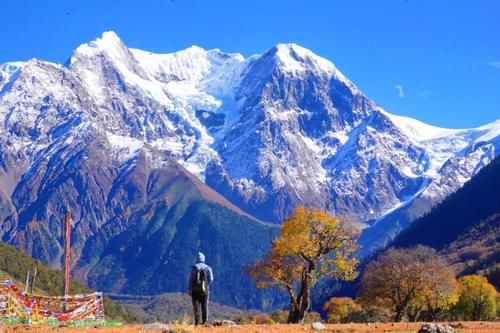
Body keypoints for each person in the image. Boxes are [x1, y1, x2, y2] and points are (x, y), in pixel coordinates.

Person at [188, 252, 213, 325]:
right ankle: (204, 322)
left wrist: (189, 289)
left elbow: (191, 280)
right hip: (205, 291)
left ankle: (197, 323)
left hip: (195, 291)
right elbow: (211, 279)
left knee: (196, 307)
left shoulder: (194, 268)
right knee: (204, 305)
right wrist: (206, 284)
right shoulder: (208, 268)